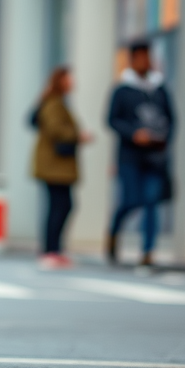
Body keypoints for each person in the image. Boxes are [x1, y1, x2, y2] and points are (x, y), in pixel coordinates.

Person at [107, 41, 175, 267]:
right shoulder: (122, 89)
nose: (146, 61)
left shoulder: (160, 88)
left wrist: (163, 139)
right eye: (141, 57)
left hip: (155, 158)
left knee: (151, 201)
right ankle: (114, 233)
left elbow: (172, 120)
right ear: (132, 60)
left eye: (149, 57)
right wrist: (134, 134)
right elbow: (111, 120)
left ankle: (148, 251)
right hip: (130, 158)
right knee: (131, 201)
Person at [31, 66, 91, 269]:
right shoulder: (54, 103)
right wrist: (77, 135)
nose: (73, 82)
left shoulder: (57, 101)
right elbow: (55, 129)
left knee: (61, 206)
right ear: (61, 80)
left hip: (57, 165)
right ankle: (50, 250)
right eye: (69, 78)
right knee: (60, 206)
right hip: (54, 165)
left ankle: (54, 249)